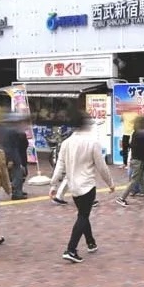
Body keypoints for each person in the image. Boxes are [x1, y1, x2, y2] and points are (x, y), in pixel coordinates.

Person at [49, 109, 115, 263]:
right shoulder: (92, 143)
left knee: (83, 214)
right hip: (87, 186)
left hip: (73, 187)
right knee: (83, 216)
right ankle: (71, 249)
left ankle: (91, 242)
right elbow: (102, 167)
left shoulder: (66, 143)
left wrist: (53, 184)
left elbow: (60, 164)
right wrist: (111, 183)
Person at [115, 117, 144, 206]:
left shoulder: (135, 133)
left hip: (136, 159)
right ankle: (122, 198)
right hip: (139, 161)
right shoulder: (141, 134)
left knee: (142, 180)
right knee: (134, 180)